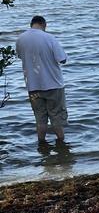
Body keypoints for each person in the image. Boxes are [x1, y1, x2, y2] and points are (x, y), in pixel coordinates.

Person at [16, 15, 68, 143]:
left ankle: (42, 147)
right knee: (56, 118)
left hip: (33, 86)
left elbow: (19, 56)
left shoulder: (21, 39)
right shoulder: (49, 38)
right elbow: (63, 59)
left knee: (40, 119)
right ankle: (62, 146)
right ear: (44, 25)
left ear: (32, 24)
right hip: (53, 85)